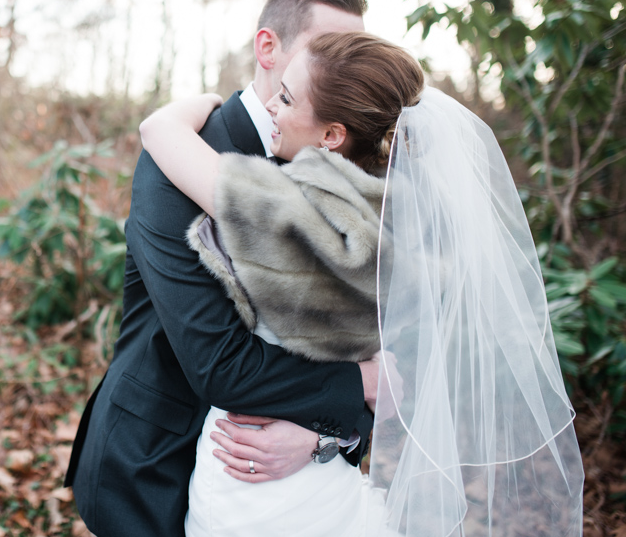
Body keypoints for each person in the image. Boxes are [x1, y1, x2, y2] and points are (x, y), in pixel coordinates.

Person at [140, 31, 584, 535]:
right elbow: (388, 375)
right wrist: (328, 432)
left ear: (331, 135)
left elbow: (158, 128)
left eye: (286, 98)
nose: (271, 106)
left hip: (248, 478)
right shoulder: (414, 227)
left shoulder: (291, 210)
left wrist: (208, 100)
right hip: (325, 473)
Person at [65, 0, 382, 536]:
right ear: (269, 49)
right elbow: (218, 362)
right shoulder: (183, 157)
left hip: (289, 485)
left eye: (353, 52)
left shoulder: (351, 174)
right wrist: (367, 382)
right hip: (156, 461)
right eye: (325, 50)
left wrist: (323, 439)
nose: (342, 65)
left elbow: (348, 335)